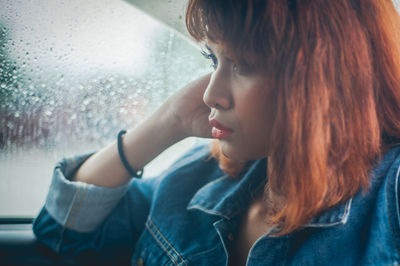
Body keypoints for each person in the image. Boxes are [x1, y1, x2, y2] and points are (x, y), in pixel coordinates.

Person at [33, 0, 400, 265]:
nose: (211, 94)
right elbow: (63, 230)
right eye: (212, 59)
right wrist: (168, 122)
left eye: (242, 64)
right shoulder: (199, 174)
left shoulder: (390, 195)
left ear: (325, 75)